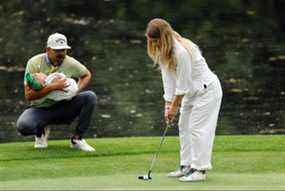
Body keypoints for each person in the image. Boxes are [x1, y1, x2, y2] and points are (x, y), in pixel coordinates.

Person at [145, 18, 223, 182]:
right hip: (191, 92)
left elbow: (182, 84)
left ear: (163, 37)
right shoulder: (162, 50)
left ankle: (199, 170)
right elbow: (168, 79)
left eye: (156, 41)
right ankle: (186, 166)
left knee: (197, 128)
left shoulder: (181, 52)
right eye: (151, 41)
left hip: (206, 91)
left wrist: (174, 106)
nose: (154, 44)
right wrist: (167, 104)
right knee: (184, 126)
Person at [17, 33, 96, 152]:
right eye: (57, 50)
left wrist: (74, 92)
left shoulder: (70, 62)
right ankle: (41, 131)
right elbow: (29, 96)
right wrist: (52, 87)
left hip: (64, 107)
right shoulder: (34, 63)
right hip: (40, 109)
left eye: (63, 50)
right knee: (23, 126)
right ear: (48, 50)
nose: (61, 54)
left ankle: (77, 139)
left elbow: (86, 75)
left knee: (90, 97)